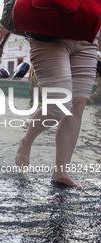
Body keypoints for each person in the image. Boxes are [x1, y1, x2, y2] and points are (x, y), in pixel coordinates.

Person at [15, 33, 99, 187]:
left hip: (88, 37)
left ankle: (61, 173)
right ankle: (27, 141)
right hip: (50, 35)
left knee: (78, 104)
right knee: (59, 105)